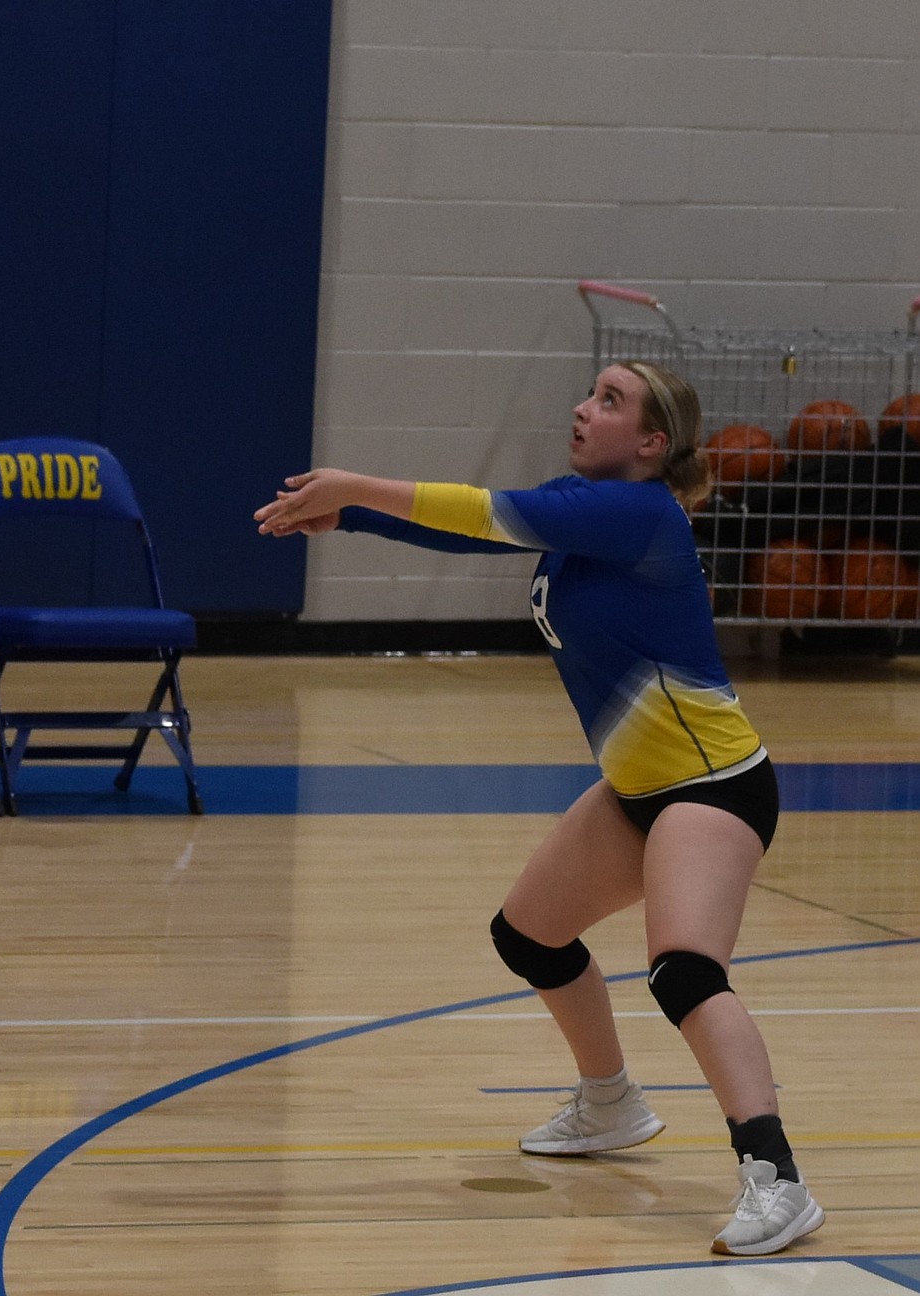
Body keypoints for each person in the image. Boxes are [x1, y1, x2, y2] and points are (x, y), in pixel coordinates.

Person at [254, 359, 824, 1258]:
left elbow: (481, 511)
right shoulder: (584, 509)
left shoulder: (636, 514)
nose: (582, 407)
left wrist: (358, 483)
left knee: (683, 971)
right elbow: (481, 535)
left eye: (609, 401)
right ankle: (611, 1105)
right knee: (530, 934)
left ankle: (777, 1179)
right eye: (590, 393)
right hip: (641, 787)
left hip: (711, 785)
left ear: (651, 443)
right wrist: (353, 515)